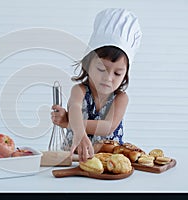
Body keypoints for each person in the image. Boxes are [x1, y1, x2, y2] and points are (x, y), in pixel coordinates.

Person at [51, 8, 142, 162]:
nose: (108, 78)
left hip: (109, 162)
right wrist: (75, 127)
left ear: (125, 75)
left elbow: (108, 127)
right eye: (101, 69)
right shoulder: (79, 90)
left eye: (117, 73)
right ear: (88, 63)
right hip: (73, 159)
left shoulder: (121, 98)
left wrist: (70, 123)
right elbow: (74, 108)